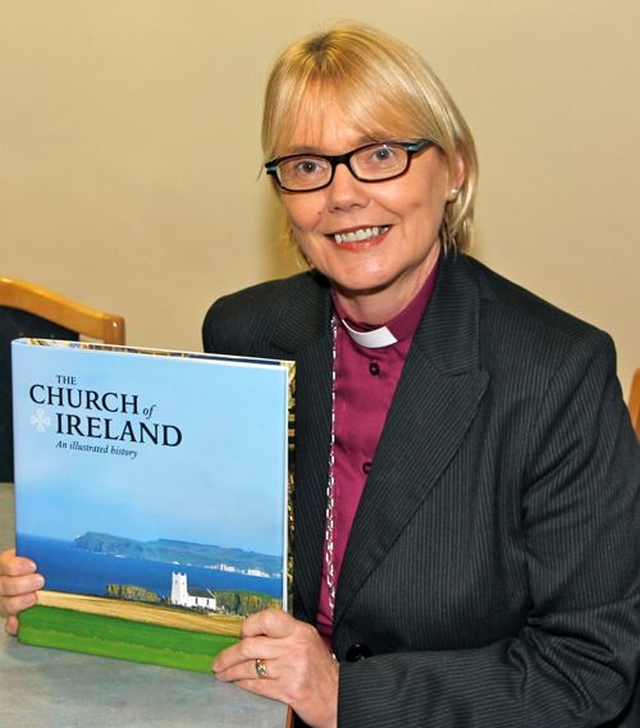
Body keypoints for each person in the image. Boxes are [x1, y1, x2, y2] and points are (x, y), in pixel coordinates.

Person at [2, 22, 640, 728]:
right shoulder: (245, 332)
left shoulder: (557, 373)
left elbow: (590, 667)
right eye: (307, 166)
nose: (342, 195)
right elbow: (216, 558)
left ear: (454, 168)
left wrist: (349, 697)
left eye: (381, 154)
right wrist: (60, 591)